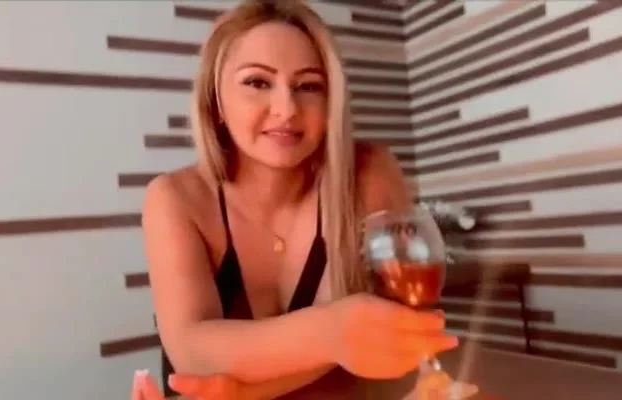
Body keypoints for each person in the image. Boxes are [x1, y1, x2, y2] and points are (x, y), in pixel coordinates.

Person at [136, 0, 458, 398]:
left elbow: (380, 336)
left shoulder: (367, 174)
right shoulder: (174, 198)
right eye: (257, 82)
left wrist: (245, 393)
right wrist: (334, 332)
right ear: (216, 100)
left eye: (308, 86)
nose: (286, 109)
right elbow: (192, 352)